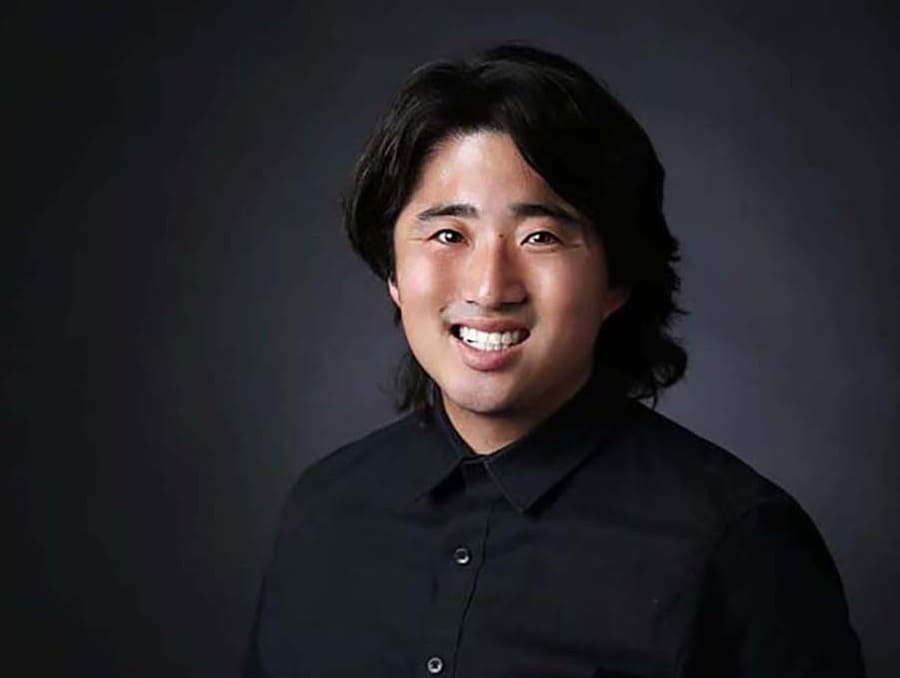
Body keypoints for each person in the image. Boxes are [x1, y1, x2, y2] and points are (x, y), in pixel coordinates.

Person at [244, 44, 865, 677]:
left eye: (540, 236)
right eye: (448, 235)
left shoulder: (740, 545)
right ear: (394, 273)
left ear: (616, 278)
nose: (489, 288)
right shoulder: (322, 511)